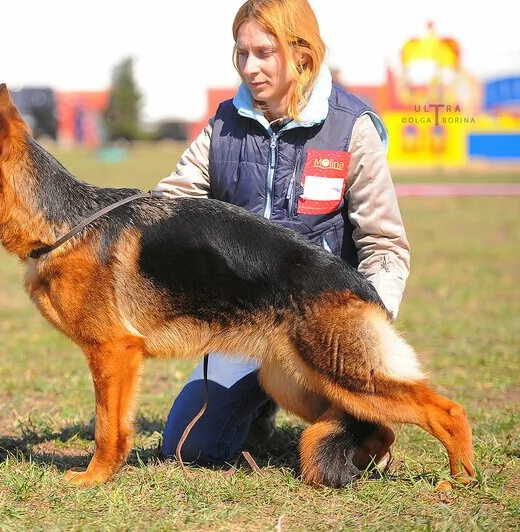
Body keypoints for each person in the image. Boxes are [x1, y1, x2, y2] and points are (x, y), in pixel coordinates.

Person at [155, 0, 410, 466]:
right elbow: (170, 202)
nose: (249, 68)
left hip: (321, 326)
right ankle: (258, 408)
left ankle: (362, 418)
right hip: (241, 324)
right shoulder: (224, 124)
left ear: (303, 55)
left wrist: (363, 331)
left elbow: (386, 247)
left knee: (358, 447)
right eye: (241, 53)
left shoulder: (352, 128)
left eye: (264, 53)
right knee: (187, 448)